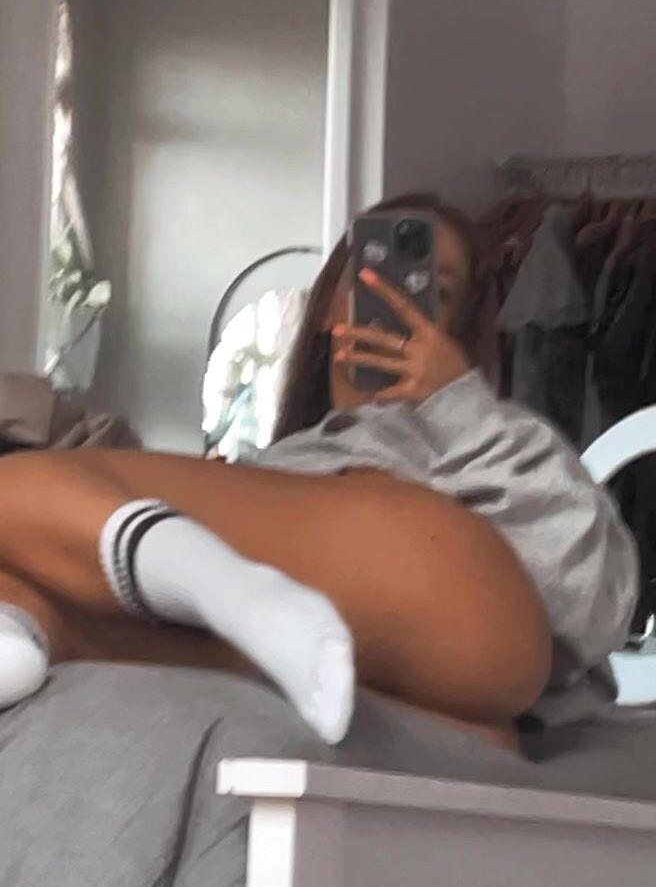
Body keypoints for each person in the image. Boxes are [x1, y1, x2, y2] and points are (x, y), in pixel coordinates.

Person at [0, 194, 638, 752]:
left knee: (26, 488)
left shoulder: (488, 433)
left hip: (462, 601)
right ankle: (49, 620)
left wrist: (455, 401)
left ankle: (232, 590)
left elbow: (589, 602)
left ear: (461, 326)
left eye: (435, 294)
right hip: (417, 695)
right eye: (375, 279)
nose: (399, 304)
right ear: (332, 300)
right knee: (33, 583)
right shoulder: (289, 457)